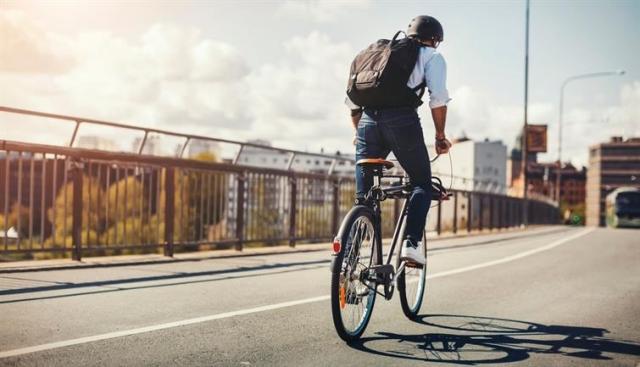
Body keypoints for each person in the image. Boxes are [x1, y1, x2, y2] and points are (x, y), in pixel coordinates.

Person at [345, 15, 452, 265]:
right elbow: (437, 98)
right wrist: (440, 137)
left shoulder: (377, 55)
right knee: (421, 184)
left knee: (365, 198)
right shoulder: (432, 57)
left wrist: (358, 133)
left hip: (367, 123)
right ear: (434, 40)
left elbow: (352, 104)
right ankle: (411, 245)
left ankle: (348, 259)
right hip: (402, 122)